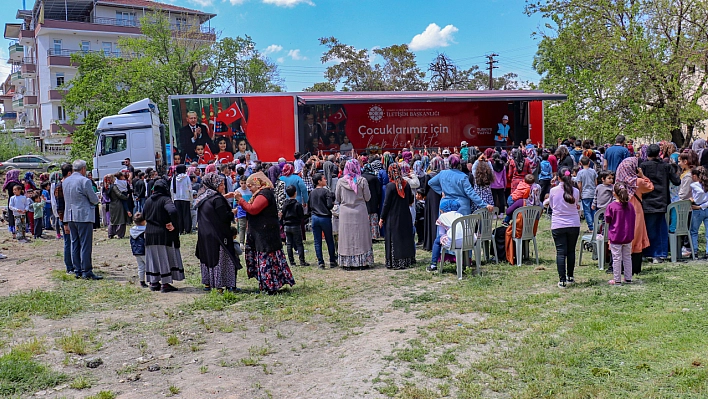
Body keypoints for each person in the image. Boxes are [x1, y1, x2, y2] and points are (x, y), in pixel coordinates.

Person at [235, 172, 295, 294]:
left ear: (258, 184)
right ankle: (268, 285)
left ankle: (270, 285)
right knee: (267, 260)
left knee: (267, 260)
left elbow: (253, 209)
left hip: (266, 235)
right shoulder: (260, 194)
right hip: (263, 234)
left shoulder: (264, 194)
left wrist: (240, 200)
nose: (249, 188)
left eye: (251, 186)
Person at [195, 173, 241, 292]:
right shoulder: (217, 199)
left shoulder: (202, 197)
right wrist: (234, 212)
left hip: (204, 234)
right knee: (221, 259)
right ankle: (221, 285)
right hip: (218, 236)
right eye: (220, 185)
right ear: (213, 185)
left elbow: (211, 206)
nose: (223, 187)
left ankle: (208, 284)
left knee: (208, 258)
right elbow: (224, 216)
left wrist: (224, 196)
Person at [640, 144, 680, 263]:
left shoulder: (643, 166)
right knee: (661, 227)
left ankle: (648, 252)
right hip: (662, 200)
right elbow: (677, 181)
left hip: (647, 200)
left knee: (648, 228)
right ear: (659, 153)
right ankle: (660, 253)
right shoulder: (666, 166)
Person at [63, 160, 102, 280]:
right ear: (83, 169)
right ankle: (87, 270)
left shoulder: (66, 181)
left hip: (70, 215)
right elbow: (94, 199)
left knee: (75, 243)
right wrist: (97, 197)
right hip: (83, 216)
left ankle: (77, 269)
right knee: (85, 244)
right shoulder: (85, 181)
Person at [143, 178, 184, 292]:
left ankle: (154, 282)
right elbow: (173, 211)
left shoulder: (148, 200)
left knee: (153, 259)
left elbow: (143, 214)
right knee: (163, 258)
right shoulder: (166, 200)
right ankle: (165, 284)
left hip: (150, 234)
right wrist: (174, 224)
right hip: (162, 233)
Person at [615, 157, 653, 275]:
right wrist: (642, 176)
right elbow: (650, 187)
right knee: (636, 239)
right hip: (636, 212)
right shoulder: (638, 182)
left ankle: (618, 267)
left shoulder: (618, 183)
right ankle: (634, 268)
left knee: (621, 237)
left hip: (620, 212)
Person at [335, 159, 373, 269]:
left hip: (345, 212)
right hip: (360, 211)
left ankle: (347, 263)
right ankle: (362, 262)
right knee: (361, 237)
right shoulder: (362, 181)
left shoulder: (340, 181)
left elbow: (337, 198)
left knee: (346, 237)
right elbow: (368, 197)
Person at [547, 167, 580, 288]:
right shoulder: (575, 191)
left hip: (558, 224)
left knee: (561, 252)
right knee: (571, 251)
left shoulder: (553, 191)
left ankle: (562, 280)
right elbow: (576, 204)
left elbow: (551, 205)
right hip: (573, 223)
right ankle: (570, 276)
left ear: (558, 177)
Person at [429, 155, 493, 216]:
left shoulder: (442, 173)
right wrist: (484, 205)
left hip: (445, 206)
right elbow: (471, 193)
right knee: (462, 227)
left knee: (444, 226)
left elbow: (431, 182)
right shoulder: (463, 176)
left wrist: (441, 192)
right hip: (461, 207)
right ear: (459, 164)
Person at [380, 163, 416, 270]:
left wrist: (382, 218)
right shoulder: (406, 184)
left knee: (394, 239)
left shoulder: (390, 186)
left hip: (393, 217)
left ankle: (395, 261)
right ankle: (407, 260)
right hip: (405, 215)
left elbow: (386, 204)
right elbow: (410, 201)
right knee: (405, 238)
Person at [605, 183, 636, 285]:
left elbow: (607, 220)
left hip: (616, 236)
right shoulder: (630, 206)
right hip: (628, 236)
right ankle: (628, 278)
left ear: (614, 193)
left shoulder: (612, 206)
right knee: (627, 257)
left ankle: (617, 279)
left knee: (616, 258)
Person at [309, 173, 337, 269]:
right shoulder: (326, 192)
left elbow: (310, 206)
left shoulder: (312, 193)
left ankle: (321, 262)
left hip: (315, 217)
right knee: (329, 239)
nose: (325, 180)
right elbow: (329, 205)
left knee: (317, 241)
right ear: (319, 181)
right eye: (323, 179)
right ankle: (332, 260)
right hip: (325, 217)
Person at [282, 185, 309, 267]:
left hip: (287, 225)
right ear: (295, 193)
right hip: (295, 225)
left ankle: (292, 262)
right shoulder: (297, 204)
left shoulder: (285, 204)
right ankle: (302, 261)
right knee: (299, 243)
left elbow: (283, 213)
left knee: (289, 244)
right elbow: (301, 216)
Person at [54, 164, 73, 272]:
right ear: (69, 173)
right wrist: (64, 222)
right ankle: (69, 267)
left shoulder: (65, 184)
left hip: (70, 218)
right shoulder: (60, 187)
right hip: (65, 219)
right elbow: (60, 206)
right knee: (68, 242)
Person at [574, 157, 598, 232]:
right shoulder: (593, 171)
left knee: (587, 211)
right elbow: (596, 183)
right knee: (593, 210)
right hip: (593, 193)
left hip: (585, 194)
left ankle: (591, 227)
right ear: (589, 163)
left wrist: (579, 193)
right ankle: (597, 225)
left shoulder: (580, 173)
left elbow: (579, 185)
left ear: (580, 163)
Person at [362, 161, 383, 240]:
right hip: (373, 200)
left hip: (363, 200)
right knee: (373, 217)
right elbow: (378, 191)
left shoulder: (361, 177)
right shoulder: (374, 177)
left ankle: (366, 235)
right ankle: (374, 235)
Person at [108, 172, 131, 239]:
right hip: (117, 204)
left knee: (112, 220)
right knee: (121, 219)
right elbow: (119, 194)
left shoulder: (107, 187)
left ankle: (111, 233)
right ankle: (119, 234)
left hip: (111, 204)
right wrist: (126, 197)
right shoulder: (114, 186)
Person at [171, 164, 193, 235]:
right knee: (186, 214)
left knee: (179, 215)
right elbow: (190, 188)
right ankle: (187, 229)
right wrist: (191, 199)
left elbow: (172, 189)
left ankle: (180, 229)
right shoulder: (186, 177)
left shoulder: (174, 178)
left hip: (177, 198)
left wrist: (173, 198)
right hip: (185, 198)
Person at [129, 212, 148, 288]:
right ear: (144, 221)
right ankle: (152, 280)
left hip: (136, 251)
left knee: (141, 267)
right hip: (144, 251)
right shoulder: (145, 230)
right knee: (149, 266)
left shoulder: (131, 230)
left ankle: (142, 281)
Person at [4, 170, 22, 240]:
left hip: (10, 200)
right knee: (16, 216)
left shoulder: (8, 183)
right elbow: (21, 189)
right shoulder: (14, 183)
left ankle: (13, 233)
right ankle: (17, 232)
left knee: (12, 216)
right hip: (16, 201)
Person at [235, 176, 252, 246]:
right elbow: (235, 204)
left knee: (249, 227)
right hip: (241, 212)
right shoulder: (237, 191)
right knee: (242, 227)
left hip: (249, 211)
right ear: (239, 183)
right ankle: (241, 242)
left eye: (245, 183)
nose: (243, 185)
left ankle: (249, 241)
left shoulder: (250, 191)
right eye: (242, 183)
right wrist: (235, 215)